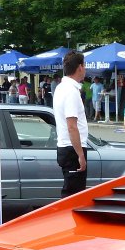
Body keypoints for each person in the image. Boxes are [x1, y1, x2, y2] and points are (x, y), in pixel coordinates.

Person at [52, 50, 88, 197]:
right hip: (72, 148)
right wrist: (80, 154)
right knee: (73, 194)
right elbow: (72, 126)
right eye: (84, 66)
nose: (85, 69)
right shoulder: (70, 91)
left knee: (71, 191)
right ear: (80, 67)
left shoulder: (61, 87)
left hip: (66, 146)